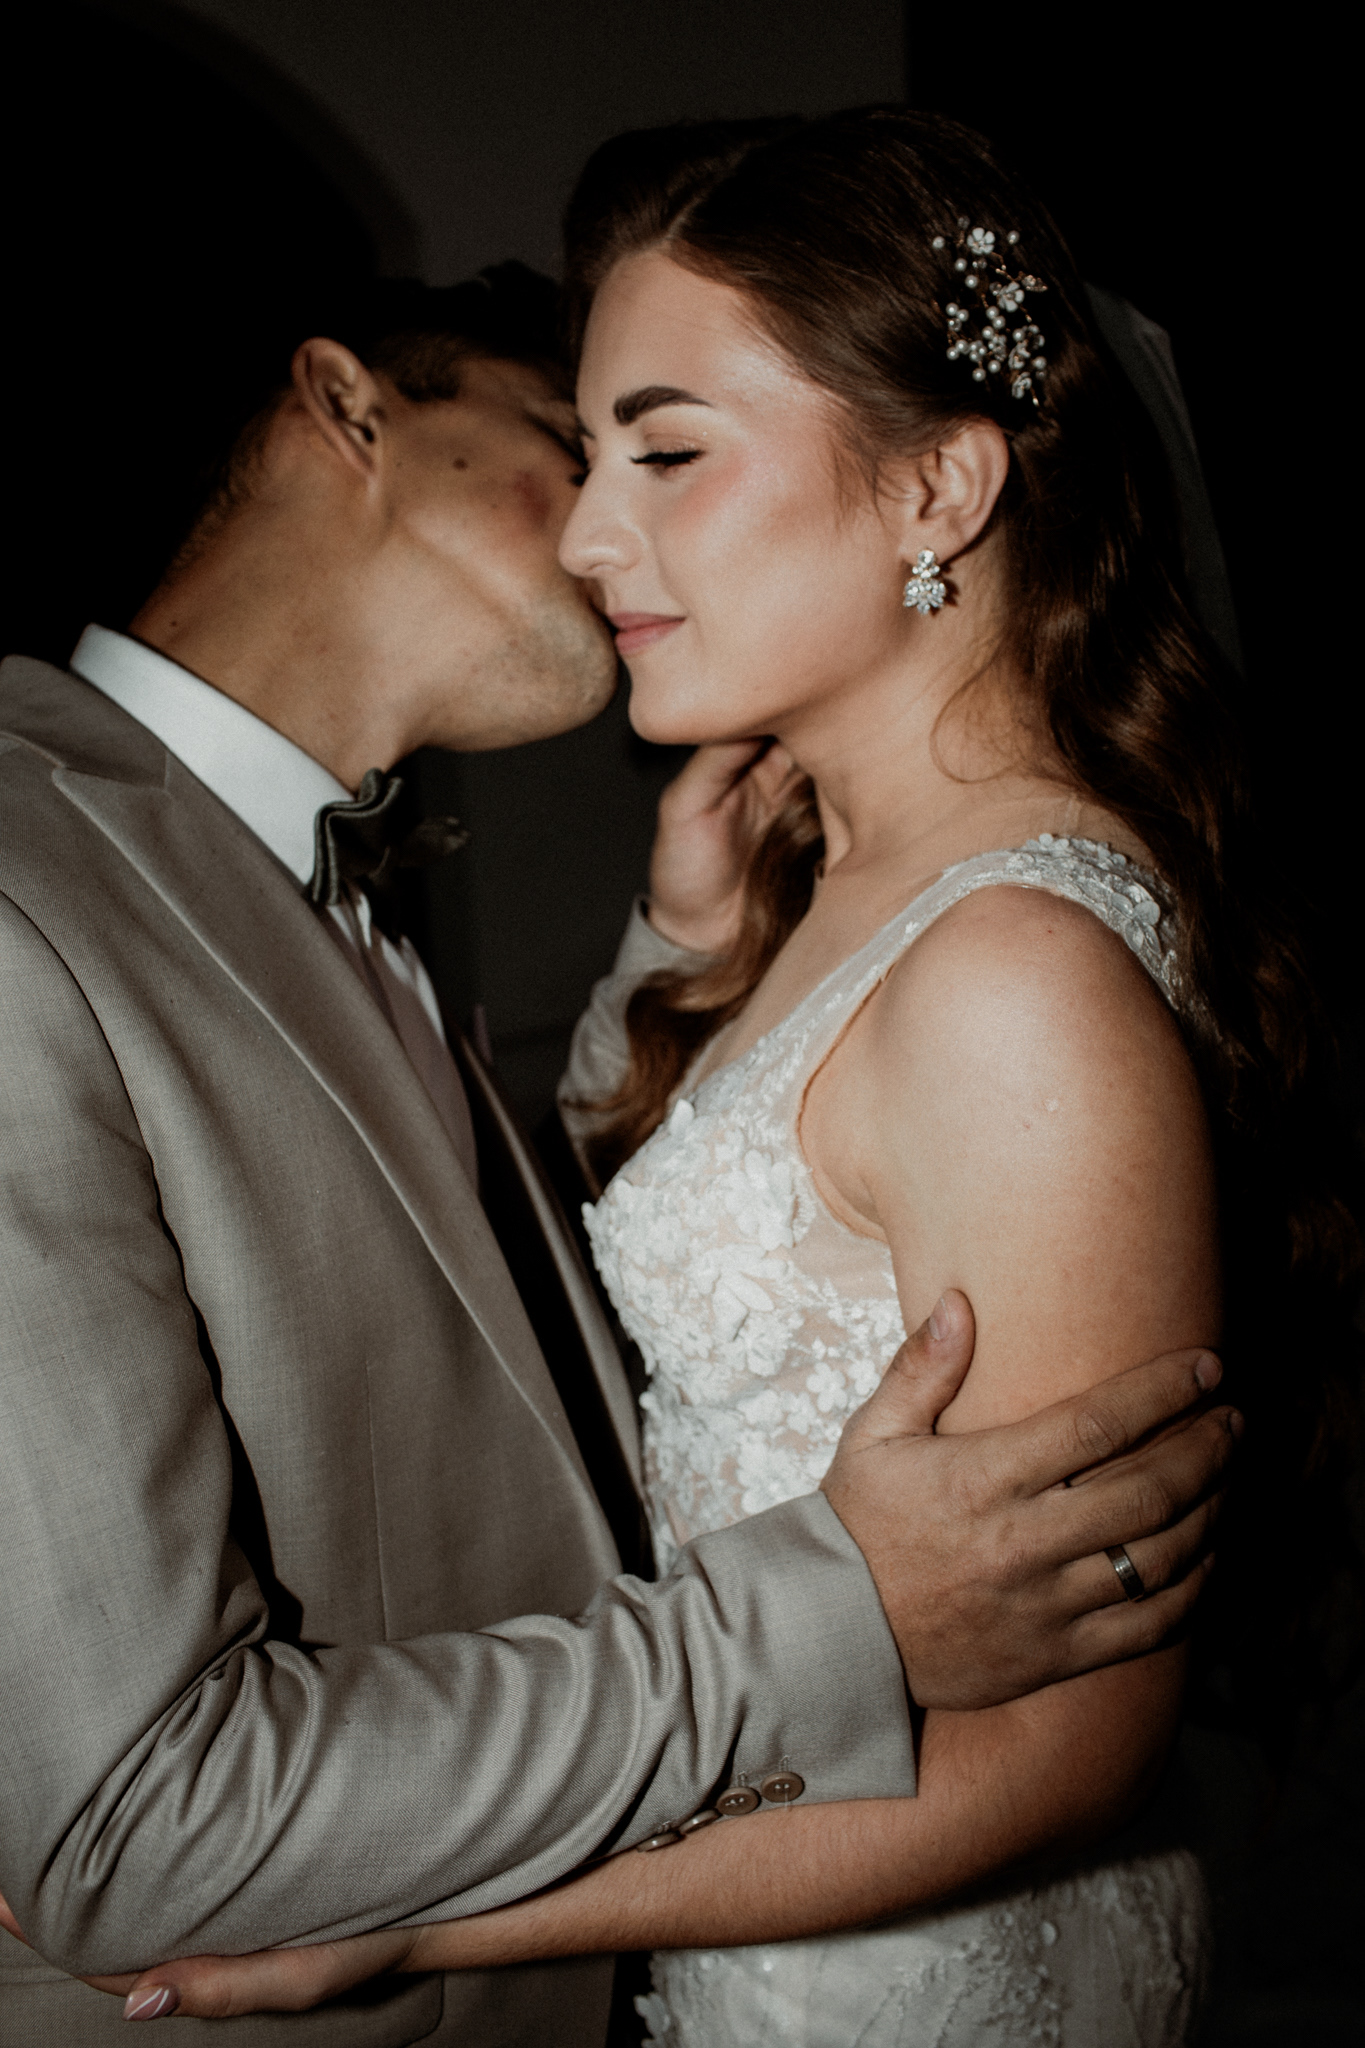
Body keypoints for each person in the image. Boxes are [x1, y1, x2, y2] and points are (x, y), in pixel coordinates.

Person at [88, 107, 1356, 2043]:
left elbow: (1059, 1748)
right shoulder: (828, 881)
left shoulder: (1013, 973)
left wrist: (421, 1923)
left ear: (935, 485)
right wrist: (684, 962)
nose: (589, 533)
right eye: (591, 455)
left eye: (665, 451)